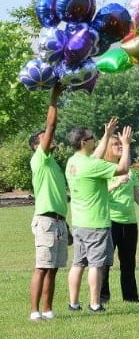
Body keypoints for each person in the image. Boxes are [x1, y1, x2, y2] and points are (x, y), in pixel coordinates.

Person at [65, 120, 132, 313]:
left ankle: (74, 303)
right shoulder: (93, 166)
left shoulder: (73, 162)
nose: (94, 140)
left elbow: (95, 156)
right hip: (96, 223)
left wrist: (107, 134)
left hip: (79, 223)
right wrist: (126, 145)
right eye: (92, 138)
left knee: (78, 264)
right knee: (96, 265)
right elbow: (123, 168)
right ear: (84, 142)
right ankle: (95, 304)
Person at [99, 134, 139, 304]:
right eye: (116, 144)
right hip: (110, 222)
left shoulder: (130, 171)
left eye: (121, 144)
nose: (120, 146)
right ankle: (102, 297)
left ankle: (131, 297)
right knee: (105, 262)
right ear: (108, 148)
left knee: (129, 262)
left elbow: (136, 194)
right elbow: (98, 194)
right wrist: (115, 184)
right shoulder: (103, 169)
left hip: (130, 223)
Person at [28, 84, 67, 322]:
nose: (49, 137)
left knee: (53, 269)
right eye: (44, 137)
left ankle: (48, 310)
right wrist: (54, 97)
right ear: (37, 145)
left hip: (58, 221)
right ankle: (35, 312)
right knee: (42, 267)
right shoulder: (39, 159)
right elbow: (51, 125)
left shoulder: (53, 163)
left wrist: (65, 223)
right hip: (45, 221)